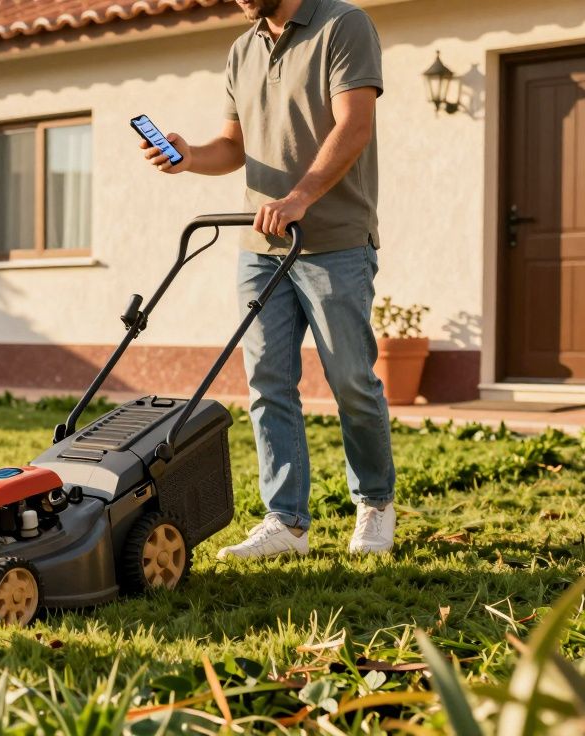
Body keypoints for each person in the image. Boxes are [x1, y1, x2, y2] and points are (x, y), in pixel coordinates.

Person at [140, 0, 395, 557]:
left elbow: (355, 125)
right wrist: (189, 156)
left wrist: (300, 197)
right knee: (267, 383)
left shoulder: (342, 26)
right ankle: (286, 521)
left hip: (336, 243)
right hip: (259, 247)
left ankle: (375, 503)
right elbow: (234, 146)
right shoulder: (243, 49)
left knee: (351, 379)